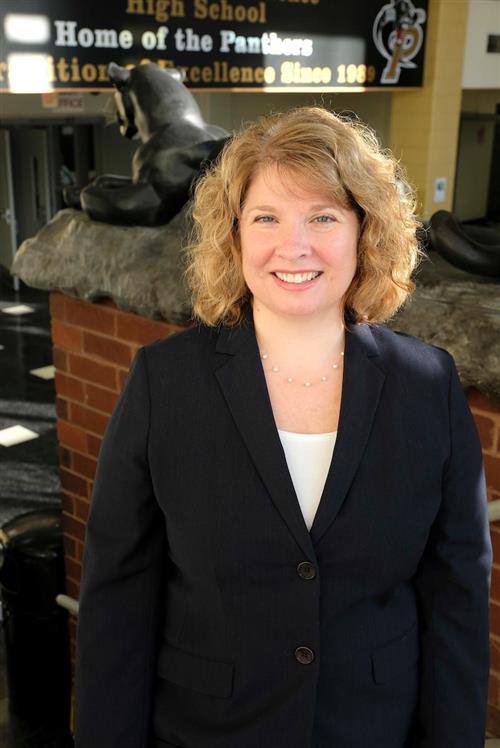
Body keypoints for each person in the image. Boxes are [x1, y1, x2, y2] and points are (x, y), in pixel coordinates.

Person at [74, 106, 492, 748]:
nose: (293, 246)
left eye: (322, 217)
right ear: (234, 236)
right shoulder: (164, 382)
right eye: (266, 217)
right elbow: (119, 598)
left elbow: (455, 596)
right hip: (207, 731)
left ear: (365, 232)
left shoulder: (428, 386)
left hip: (372, 729)